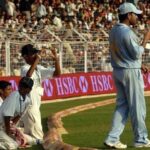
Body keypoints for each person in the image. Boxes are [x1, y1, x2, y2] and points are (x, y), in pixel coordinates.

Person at [104, 2, 150, 149]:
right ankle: (141, 139)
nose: (137, 17)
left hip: (118, 70)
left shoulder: (113, 31)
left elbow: (125, 53)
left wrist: (138, 64)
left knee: (122, 106)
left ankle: (112, 138)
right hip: (130, 72)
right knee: (138, 107)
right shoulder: (127, 32)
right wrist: (146, 39)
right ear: (129, 15)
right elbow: (137, 52)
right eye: (135, 14)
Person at [20, 44, 61, 143]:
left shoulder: (38, 68)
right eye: (33, 54)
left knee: (35, 137)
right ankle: (17, 137)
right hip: (30, 107)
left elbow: (57, 74)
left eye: (35, 53)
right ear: (25, 57)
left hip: (34, 107)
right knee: (39, 140)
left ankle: (18, 136)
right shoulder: (24, 68)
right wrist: (38, 59)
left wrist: (56, 60)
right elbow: (28, 76)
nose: (35, 55)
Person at [0, 77, 34, 149]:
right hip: (2, 127)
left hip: (6, 126)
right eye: (21, 85)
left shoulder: (27, 100)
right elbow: (7, 116)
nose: (21, 88)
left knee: (29, 140)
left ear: (30, 89)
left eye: (25, 87)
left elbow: (19, 115)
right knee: (13, 145)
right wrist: (8, 132)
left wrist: (13, 128)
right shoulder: (14, 96)